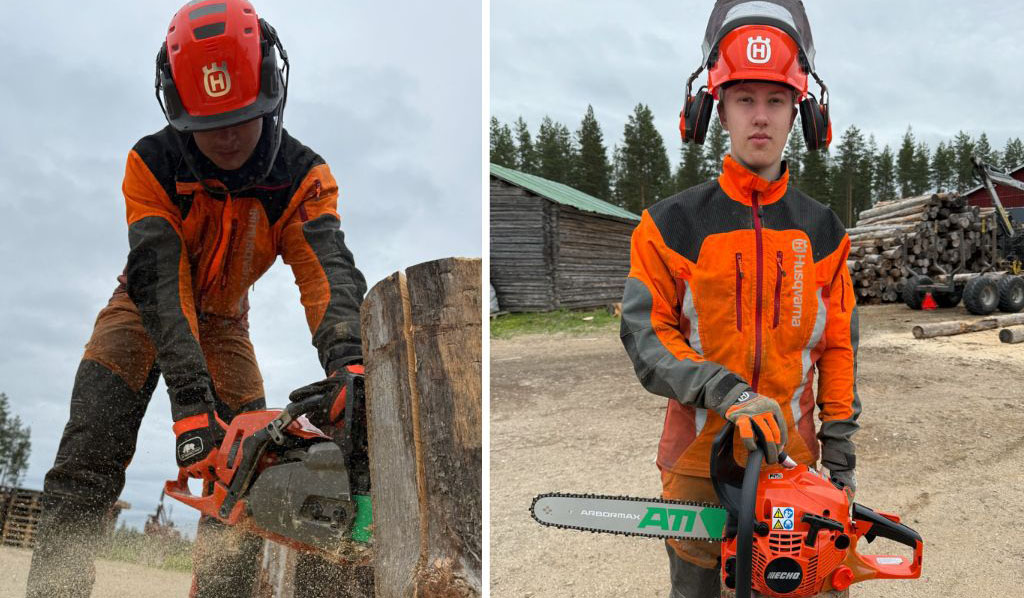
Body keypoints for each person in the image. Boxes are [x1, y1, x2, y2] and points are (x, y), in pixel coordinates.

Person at [25, 1, 366, 596]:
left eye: (241, 116)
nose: (228, 136)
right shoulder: (149, 163)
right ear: (178, 108)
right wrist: (189, 399)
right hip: (140, 308)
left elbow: (325, 273)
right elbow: (158, 273)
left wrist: (349, 361)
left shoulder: (303, 177)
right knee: (87, 454)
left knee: (250, 470)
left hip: (227, 323)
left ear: (270, 90)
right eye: (209, 125)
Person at [619, 3, 857, 597]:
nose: (760, 117)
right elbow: (647, 338)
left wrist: (841, 449)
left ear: (799, 113)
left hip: (792, 452)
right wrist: (725, 390)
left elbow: (837, 345)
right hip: (699, 455)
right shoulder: (670, 226)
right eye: (744, 99)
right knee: (696, 588)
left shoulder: (822, 232)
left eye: (776, 100)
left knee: (806, 584)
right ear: (714, 110)